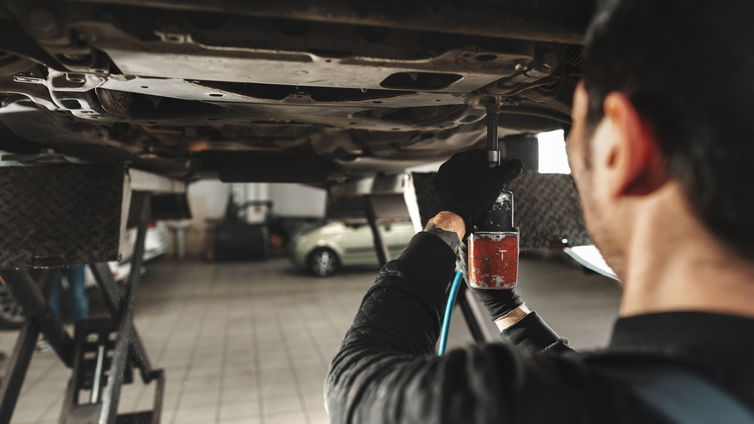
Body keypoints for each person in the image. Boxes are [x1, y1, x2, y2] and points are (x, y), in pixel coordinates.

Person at [325, 0, 754, 422]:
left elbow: (356, 386)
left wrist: (449, 218)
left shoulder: (513, 405)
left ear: (622, 151)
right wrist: (505, 308)